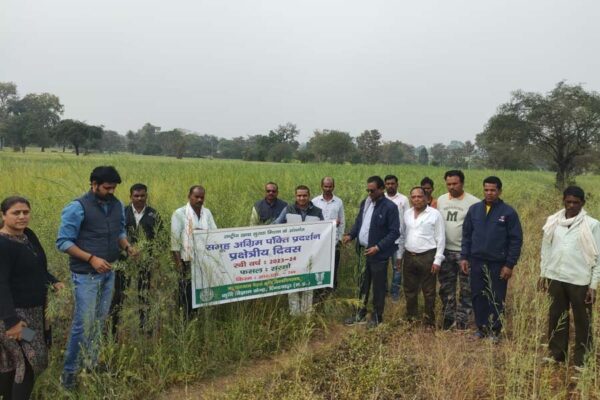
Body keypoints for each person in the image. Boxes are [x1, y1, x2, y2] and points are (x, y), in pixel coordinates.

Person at [57, 166, 136, 389]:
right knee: (83, 324)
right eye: (106, 188)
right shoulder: (77, 208)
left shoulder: (117, 205)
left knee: (99, 321)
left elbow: (120, 232)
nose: (111, 191)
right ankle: (69, 375)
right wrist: (91, 258)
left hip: (108, 272)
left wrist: (128, 247)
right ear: (93, 184)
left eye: (114, 188)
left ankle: (90, 365)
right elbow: (63, 242)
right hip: (86, 276)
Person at [0, 197, 64, 400]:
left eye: (25, 212)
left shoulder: (28, 235)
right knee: (28, 360)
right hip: (14, 317)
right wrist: (12, 322)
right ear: (3, 215)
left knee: (13, 362)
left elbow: (38, 267)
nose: (22, 216)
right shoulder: (2, 244)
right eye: (16, 213)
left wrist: (52, 280)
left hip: (34, 312)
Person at [539, 186, 599, 369]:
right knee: (556, 316)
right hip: (555, 276)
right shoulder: (553, 221)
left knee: (583, 320)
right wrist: (543, 273)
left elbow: (597, 256)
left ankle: (582, 360)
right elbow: (546, 249)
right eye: (568, 201)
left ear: (583, 203)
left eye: (576, 202)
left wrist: (593, 285)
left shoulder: (592, 225)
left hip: (579, 279)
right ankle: (557, 355)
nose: (571, 205)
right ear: (563, 201)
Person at [460, 176, 523, 341]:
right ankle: (481, 328)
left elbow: (516, 240)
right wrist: (464, 257)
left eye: (493, 190)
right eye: (486, 190)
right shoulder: (474, 209)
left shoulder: (508, 213)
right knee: (477, 295)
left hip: (498, 263)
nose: (489, 193)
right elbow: (466, 235)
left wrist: (509, 265)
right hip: (476, 260)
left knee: (496, 297)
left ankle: (495, 331)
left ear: (499, 191)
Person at [343, 176, 400, 328]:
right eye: (368, 190)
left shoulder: (390, 207)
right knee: (362, 284)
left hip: (378, 254)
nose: (369, 193)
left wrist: (378, 247)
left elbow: (394, 233)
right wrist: (350, 235)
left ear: (381, 189)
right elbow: (358, 223)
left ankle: (376, 316)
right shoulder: (365, 203)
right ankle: (359, 313)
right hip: (363, 252)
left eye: (372, 190)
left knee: (378, 287)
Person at [110, 183, 161, 334]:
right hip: (123, 261)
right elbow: (114, 235)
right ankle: (113, 326)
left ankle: (144, 327)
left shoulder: (154, 214)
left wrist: (152, 257)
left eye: (142, 196)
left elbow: (160, 238)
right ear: (130, 196)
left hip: (145, 261)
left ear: (147, 196)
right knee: (120, 293)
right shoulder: (121, 213)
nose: (139, 199)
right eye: (136, 196)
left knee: (143, 293)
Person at [436, 170, 479, 330]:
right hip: (445, 252)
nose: (451, 187)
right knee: (446, 287)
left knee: (466, 288)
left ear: (462, 183)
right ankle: (448, 318)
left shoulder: (473, 202)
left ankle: (462, 320)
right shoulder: (441, 200)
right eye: (448, 184)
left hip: (464, 253)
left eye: (455, 184)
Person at [398, 187, 445, 327]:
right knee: (409, 289)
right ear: (410, 198)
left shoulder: (434, 214)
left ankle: (429, 321)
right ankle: (411, 318)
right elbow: (402, 236)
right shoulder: (407, 214)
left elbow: (441, 238)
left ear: (426, 198)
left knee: (429, 291)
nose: (416, 199)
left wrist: (437, 260)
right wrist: (400, 256)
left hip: (427, 256)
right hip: (409, 256)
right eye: (413, 197)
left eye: (420, 196)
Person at [274, 185, 324, 315]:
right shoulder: (288, 209)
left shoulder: (318, 212)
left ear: (309, 196)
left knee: (309, 284)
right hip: (292, 255)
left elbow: (324, 230)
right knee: (292, 284)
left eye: (304, 195)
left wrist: (334, 224)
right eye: (299, 195)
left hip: (311, 254)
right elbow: (276, 225)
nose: (302, 198)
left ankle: (307, 314)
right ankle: (295, 314)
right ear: (295, 196)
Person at [171, 185, 217, 318]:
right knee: (185, 292)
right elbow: (174, 242)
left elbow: (214, 232)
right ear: (189, 196)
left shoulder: (206, 213)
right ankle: (184, 319)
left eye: (202, 197)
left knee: (201, 290)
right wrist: (178, 263)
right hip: (187, 260)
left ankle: (197, 317)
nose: (199, 200)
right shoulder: (179, 213)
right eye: (196, 197)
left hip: (204, 259)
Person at [312, 177, 345, 292]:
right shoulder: (315, 201)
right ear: (321, 186)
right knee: (319, 267)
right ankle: (318, 290)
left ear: (333, 187)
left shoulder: (338, 201)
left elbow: (342, 221)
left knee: (333, 268)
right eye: (326, 186)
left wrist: (340, 238)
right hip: (319, 243)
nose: (328, 188)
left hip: (334, 242)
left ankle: (331, 292)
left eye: (330, 186)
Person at [384, 174, 409, 302]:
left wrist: (405, 240)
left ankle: (395, 294)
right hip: (383, 241)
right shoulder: (380, 198)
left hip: (398, 240)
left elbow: (407, 220)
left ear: (397, 184)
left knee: (397, 268)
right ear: (384, 185)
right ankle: (384, 292)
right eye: (388, 184)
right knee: (382, 267)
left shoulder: (403, 200)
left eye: (392, 183)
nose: (390, 186)